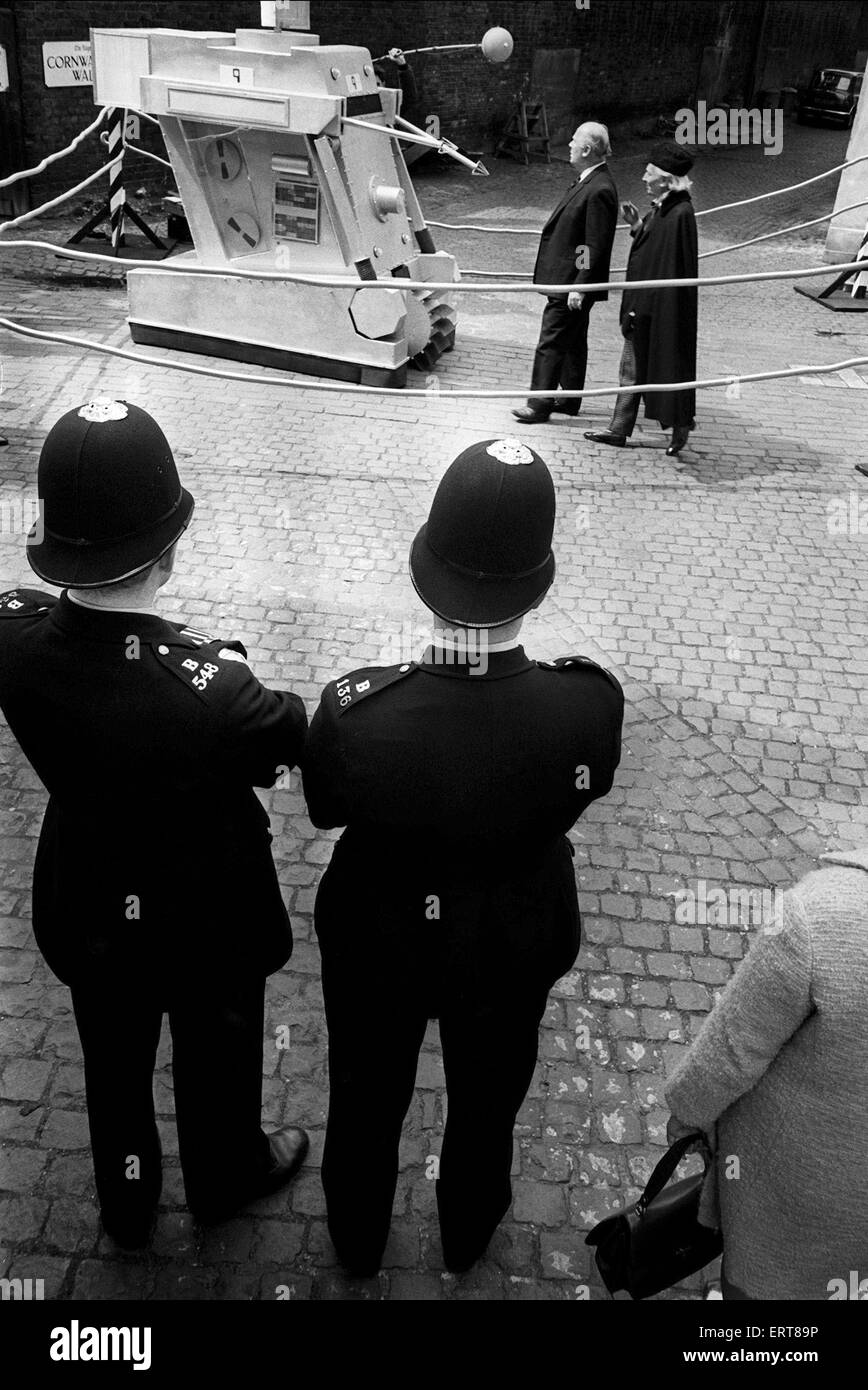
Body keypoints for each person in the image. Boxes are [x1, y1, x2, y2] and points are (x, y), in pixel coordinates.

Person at [302, 437, 624, 1275]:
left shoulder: (356, 710)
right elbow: (586, 788)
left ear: (425, 569)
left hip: (381, 935)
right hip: (512, 935)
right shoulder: (587, 705)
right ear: (539, 579)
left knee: (366, 1095)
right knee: (489, 1098)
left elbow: (326, 808)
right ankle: (469, 1228)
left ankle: (358, 1235)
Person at [0, 398, 310, 1246]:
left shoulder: (12, 637)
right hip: (207, 910)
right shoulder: (216, 694)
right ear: (166, 550)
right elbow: (287, 734)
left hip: (90, 893)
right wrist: (227, 664)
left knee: (111, 1058)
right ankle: (224, 1176)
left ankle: (129, 1203)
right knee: (217, 1055)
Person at [664, 848, 868, 1300]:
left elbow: (734, 1050)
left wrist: (686, 1111)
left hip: (801, 1190)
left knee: (762, 1286)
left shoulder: (821, 916)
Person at [585, 141, 698, 456]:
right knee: (632, 368)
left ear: (664, 178)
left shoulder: (679, 214)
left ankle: (678, 426)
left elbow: (669, 266)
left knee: (659, 367)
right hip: (645, 306)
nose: (643, 178)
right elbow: (654, 250)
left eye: (648, 173)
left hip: (656, 310)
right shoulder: (664, 207)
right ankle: (620, 428)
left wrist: (640, 309)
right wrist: (637, 225)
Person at [512, 122, 618, 425]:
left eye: (574, 141)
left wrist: (578, 285)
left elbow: (591, 246)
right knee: (572, 341)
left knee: (552, 340)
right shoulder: (589, 181)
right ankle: (569, 398)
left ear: (586, 150)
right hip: (570, 281)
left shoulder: (598, 189)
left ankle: (538, 403)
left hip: (570, 282)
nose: (569, 145)